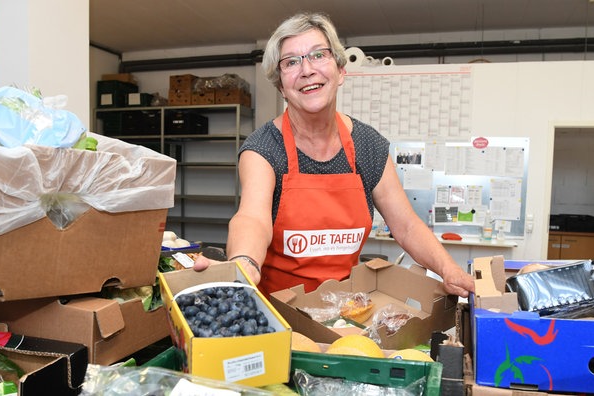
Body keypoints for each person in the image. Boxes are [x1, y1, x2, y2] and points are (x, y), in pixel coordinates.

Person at [193, 12, 475, 298]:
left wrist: (448, 269)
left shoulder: (368, 145)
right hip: (279, 311)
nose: (306, 70)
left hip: (343, 312)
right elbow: (252, 218)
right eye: (291, 62)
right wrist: (245, 263)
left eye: (318, 55)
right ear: (281, 86)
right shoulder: (264, 148)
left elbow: (406, 225)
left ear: (341, 71)